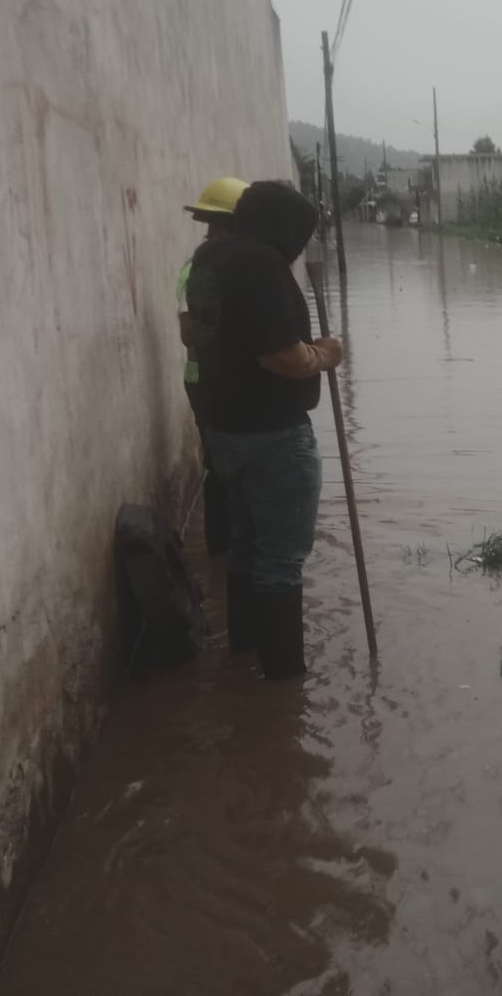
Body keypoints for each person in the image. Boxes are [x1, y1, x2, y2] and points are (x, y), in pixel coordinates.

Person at [185, 180, 341, 679]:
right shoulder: (262, 266)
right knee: (281, 560)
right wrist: (324, 355)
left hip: (225, 429)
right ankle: (285, 688)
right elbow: (279, 355)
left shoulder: (208, 260)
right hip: (273, 435)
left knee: (247, 547)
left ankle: (245, 654)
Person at [178, 178, 245, 556]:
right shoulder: (220, 267)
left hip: (201, 377)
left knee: (217, 461)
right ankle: (227, 551)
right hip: (213, 379)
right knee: (225, 466)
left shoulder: (200, 262)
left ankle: (222, 554)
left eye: (212, 223)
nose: (210, 232)